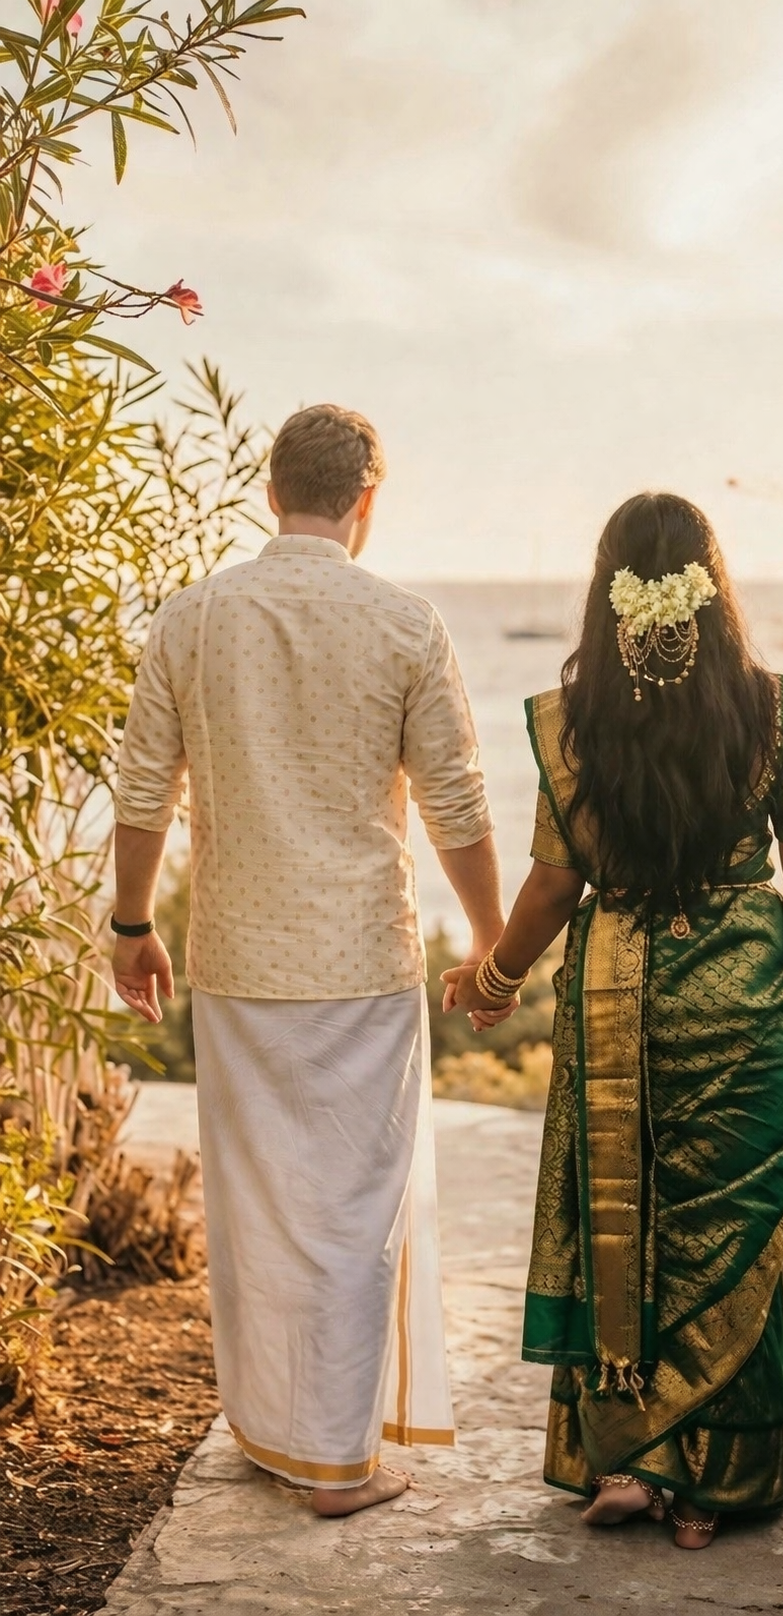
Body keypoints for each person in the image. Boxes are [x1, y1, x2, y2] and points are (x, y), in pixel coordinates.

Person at [110, 404, 506, 1516]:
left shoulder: (193, 616)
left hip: (238, 954)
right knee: (351, 1205)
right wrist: (489, 940)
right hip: (360, 960)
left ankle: (276, 1432)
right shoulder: (405, 623)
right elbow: (456, 802)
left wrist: (132, 925)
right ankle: (336, 1458)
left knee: (256, 1204)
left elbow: (144, 789)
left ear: (270, 489)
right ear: (367, 498)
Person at [444, 492, 783, 1550]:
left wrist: (493, 980)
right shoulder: (773, 709)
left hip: (619, 991)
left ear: (606, 591)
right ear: (712, 587)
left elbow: (551, 885)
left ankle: (626, 1461)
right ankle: (710, 1483)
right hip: (744, 996)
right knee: (726, 1239)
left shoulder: (572, 722)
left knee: (623, 1216)